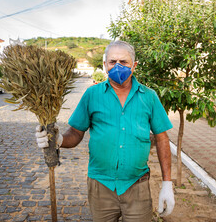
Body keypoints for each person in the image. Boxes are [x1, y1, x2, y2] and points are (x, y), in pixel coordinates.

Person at [36, 40, 175, 222]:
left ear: (134, 65)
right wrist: (59, 139)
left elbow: (162, 138)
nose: (117, 66)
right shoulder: (91, 95)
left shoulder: (149, 97)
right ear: (105, 65)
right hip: (100, 186)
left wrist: (167, 183)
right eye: (112, 62)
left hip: (137, 186)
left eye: (123, 62)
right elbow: (76, 133)